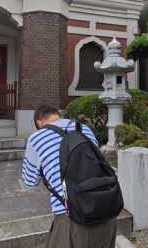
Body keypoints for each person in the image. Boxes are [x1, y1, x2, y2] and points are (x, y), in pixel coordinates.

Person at [21, 104, 118, 248]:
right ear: (59, 115)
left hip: (72, 219)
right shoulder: (84, 128)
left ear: (39, 123)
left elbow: (29, 181)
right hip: (106, 210)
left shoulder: (36, 137)